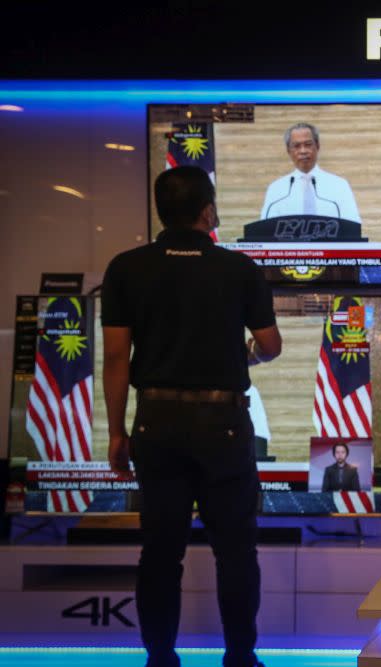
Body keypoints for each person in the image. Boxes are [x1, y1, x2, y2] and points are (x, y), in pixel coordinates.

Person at [102, 165, 282, 667]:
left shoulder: (126, 267)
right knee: (236, 554)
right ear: (209, 211)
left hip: (155, 423)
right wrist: (245, 355)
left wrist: (118, 432)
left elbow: (116, 358)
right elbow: (270, 346)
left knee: (160, 554)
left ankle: (160, 659)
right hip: (224, 427)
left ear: (163, 211)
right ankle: (241, 659)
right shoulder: (239, 269)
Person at [259, 122, 362, 222]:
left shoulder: (339, 185)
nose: (303, 151)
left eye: (308, 144)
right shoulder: (276, 189)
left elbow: (353, 224)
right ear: (288, 151)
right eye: (296, 146)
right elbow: (265, 229)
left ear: (317, 146)